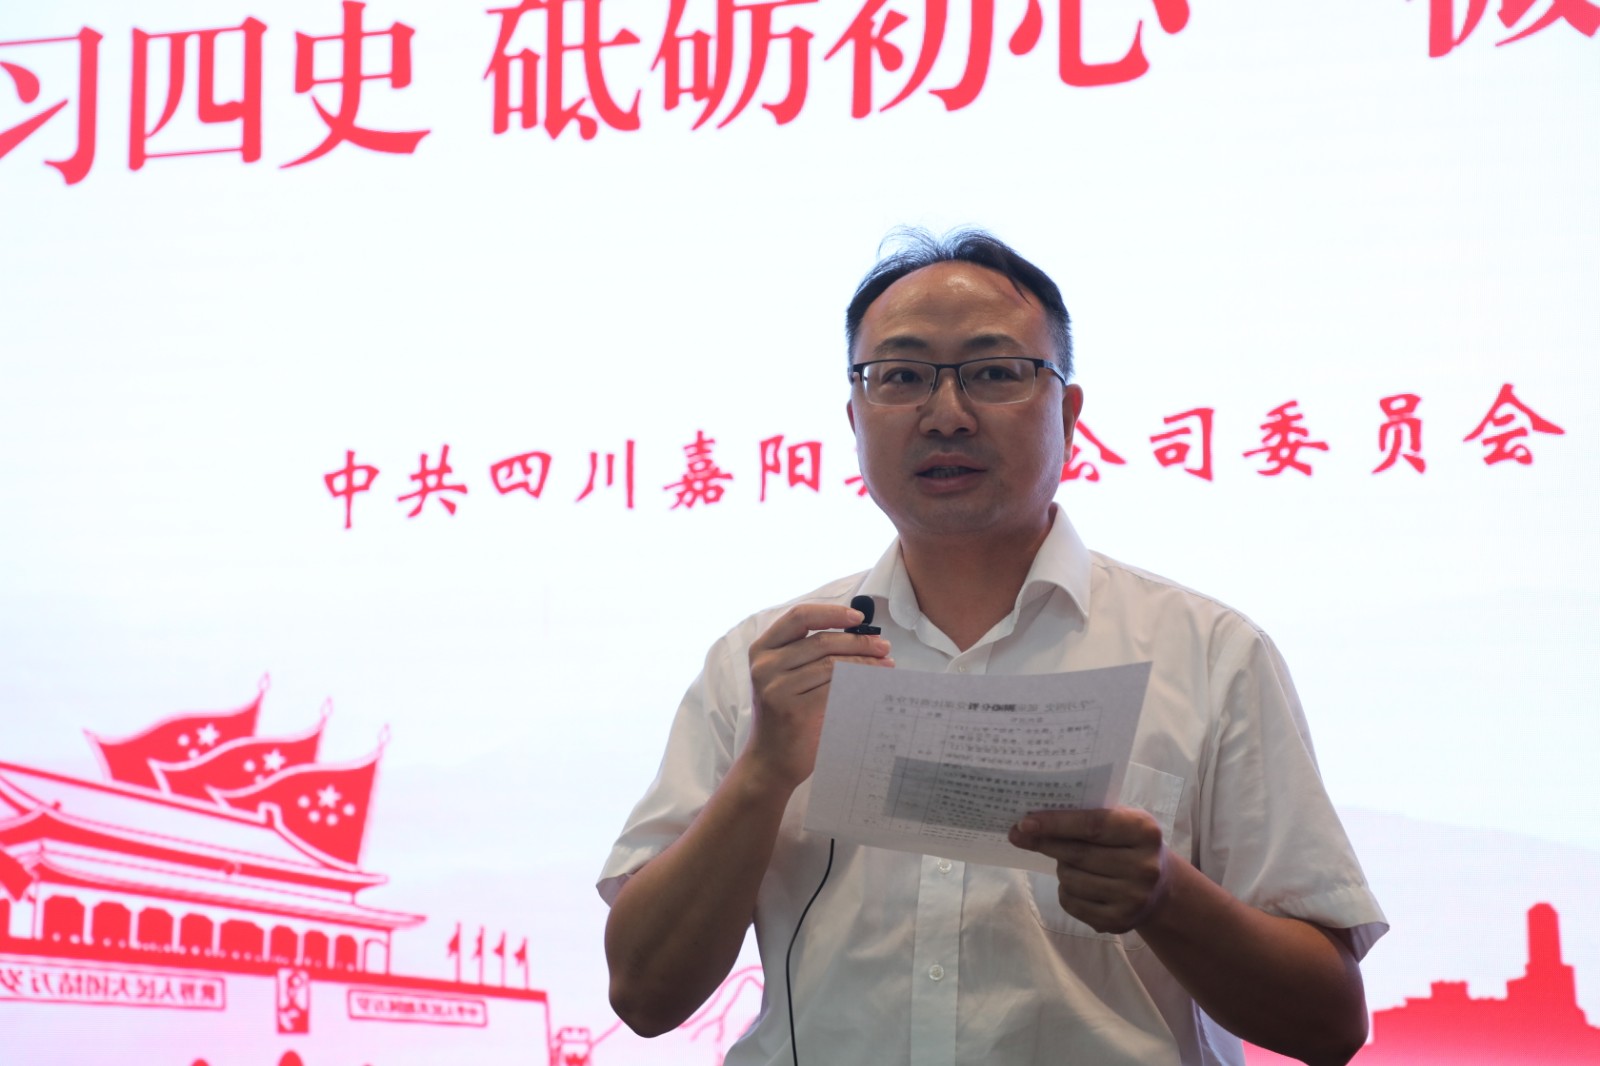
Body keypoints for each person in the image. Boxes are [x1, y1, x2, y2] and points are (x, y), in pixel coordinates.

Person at [598, 230, 1387, 1066]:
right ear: (856, 419)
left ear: (1068, 415)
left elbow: (1329, 1025)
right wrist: (762, 774)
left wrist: (1167, 896)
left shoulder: (1210, 654)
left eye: (995, 372)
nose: (946, 414)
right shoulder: (764, 665)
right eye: (901, 376)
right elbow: (644, 997)